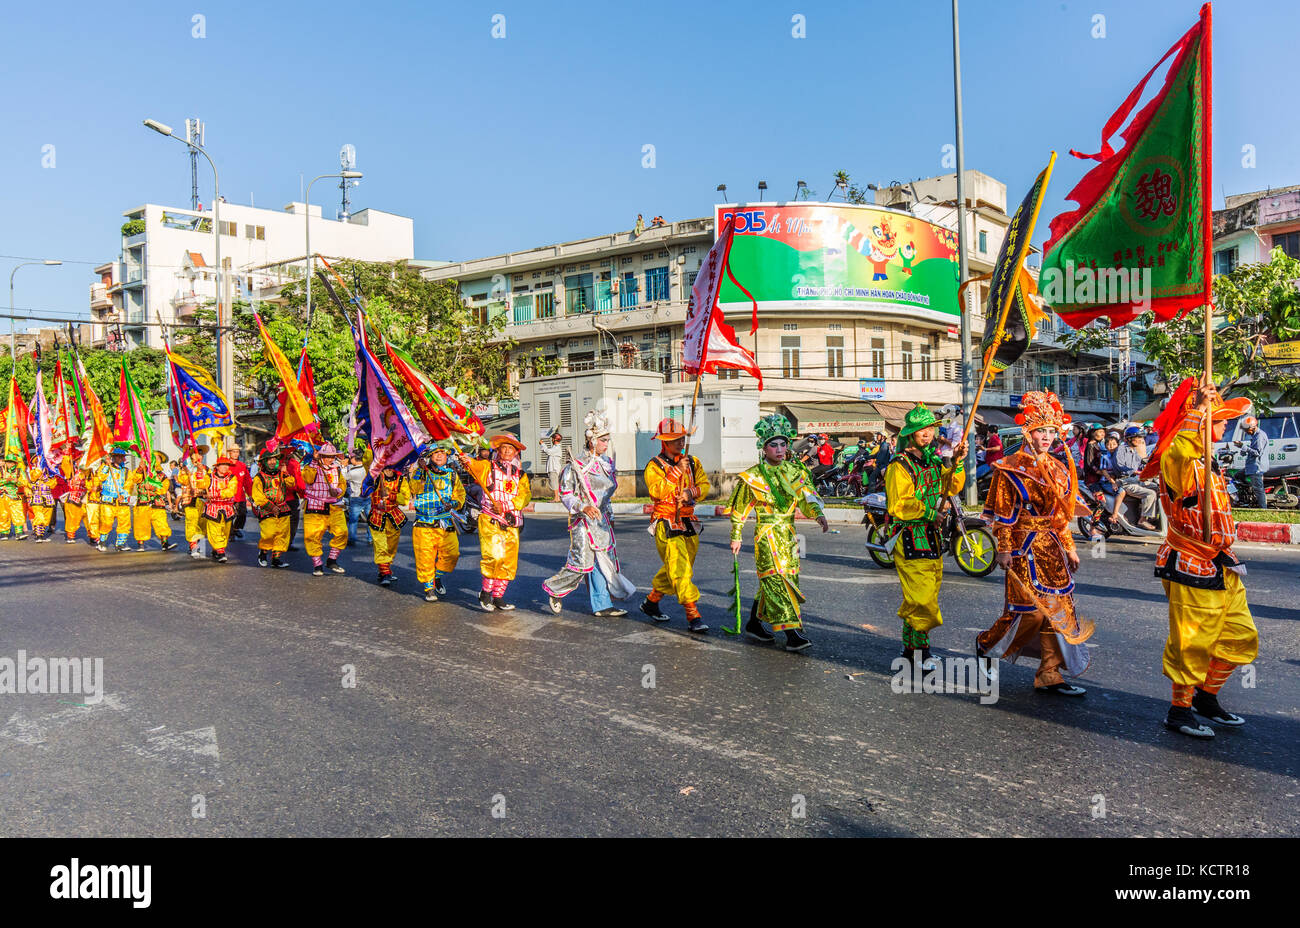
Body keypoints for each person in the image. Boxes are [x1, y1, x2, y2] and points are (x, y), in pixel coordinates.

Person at [1148, 382, 1258, 739]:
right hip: (1191, 563)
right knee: (1191, 642)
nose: (1226, 425)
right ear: (1197, 425)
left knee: (1241, 635)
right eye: (1219, 420)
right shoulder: (1177, 461)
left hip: (1222, 563)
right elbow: (1180, 449)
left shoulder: (1209, 464)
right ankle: (1178, 711)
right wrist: (1196, 410)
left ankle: (1205, 698)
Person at [977, 392, 1094, 696]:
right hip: (1022, 547)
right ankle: (986, 642)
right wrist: (1003, 548)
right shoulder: (1010, 467)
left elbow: (1061, 515)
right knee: (1030, 611)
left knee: (1058, 612)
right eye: (1041, 430)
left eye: (1052, 431)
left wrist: (1070, 547)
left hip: (1052, 547)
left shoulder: (1058, 468)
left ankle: (1049, 673)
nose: (1047, 437)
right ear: (1028, 432)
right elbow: (1003, 515)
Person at [728, 413, 829, 652]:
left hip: (789, 534)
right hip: (767, 534)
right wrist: (736, 535)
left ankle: (754, 623)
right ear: (763, 448)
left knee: (786, 578)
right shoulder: (753, 476)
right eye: (774, 445)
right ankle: (791, 632)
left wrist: (818, 514)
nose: (780, 449)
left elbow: (807, 498)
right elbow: (740, 508)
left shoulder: (796, 471)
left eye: (784, 444)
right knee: (776, 579)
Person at [885, 404, 967, 669]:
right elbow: (899, 504)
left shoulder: (932, 461)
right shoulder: (900, 466)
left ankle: (913, 651)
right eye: (921, 430)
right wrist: (931, 513)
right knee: (921, 600)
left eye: (930, 428)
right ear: (910, 434)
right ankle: (919, 653)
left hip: (931, 539)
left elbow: (951, 486)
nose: (927, 433)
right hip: (910, 537)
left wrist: (957, 462)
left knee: (925, 596)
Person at [543, 410, 637, 617]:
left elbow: (606, 497)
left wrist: (610, 517)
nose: (606, 444)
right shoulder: (576, 466)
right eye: (603, 440)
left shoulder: (606, 465)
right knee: (582, 563)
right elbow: (566, 494)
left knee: (603, 563)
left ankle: (602, 605)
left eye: (607, 440)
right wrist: (582, 506)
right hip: (583, 522)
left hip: (601, 521)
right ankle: (555, 589)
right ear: (592, 441)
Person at [640, 418, 710, 633]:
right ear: (664, 442)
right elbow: (656, 491)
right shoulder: (654, 465)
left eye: (681, 438)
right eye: (674, 439)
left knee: (680, 566)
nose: (680, 443)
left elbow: (705, 485)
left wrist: (691, 493)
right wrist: (676, 471)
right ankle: (692, 613)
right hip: (666, 522)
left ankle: (652, 601)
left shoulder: (693, 462)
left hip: (688, 521)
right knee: (679, 568)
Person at [460, 434, 531, 609]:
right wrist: (466, 460)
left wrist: (506, 505)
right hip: (490, 520)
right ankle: (485, 593)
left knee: (508, 561)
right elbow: (473, 466)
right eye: (504, 448)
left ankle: (498, 597)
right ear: (498, 450)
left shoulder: (521, 475)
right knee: (494, 557)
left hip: (512, 522)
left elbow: (525, 496)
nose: (507, 451)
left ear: (515, 452)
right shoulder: (487, 467)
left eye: (511, 448)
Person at [409, 441, 466, 602]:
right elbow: (414, 489)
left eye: (442, 453)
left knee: (452, 554)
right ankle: (429, 587)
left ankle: (437, 575)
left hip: (445, 524)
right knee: (425, 557)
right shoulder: (422, 472)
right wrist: (420, 469)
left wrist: (453, 504)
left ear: (447, 456)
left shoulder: (452, 474)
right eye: (435, 453)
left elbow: (460, 496)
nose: (439, 455)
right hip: (424, 523)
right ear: (430, 457)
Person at [300, 442, 349, 576]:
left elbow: (342, 485)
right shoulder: (311, 468)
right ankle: (317, 564)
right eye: (327, 456)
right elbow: (308, 479)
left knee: (342, 532)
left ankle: (331, 560)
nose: (330, 459)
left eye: (332, 456)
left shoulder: (337, 469)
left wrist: (337, 491)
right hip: (315, 507)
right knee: (312, 537)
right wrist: (315, 462)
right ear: (321, 456)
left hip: (334, 506)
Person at [368, 461, 412, 588]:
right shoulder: (376, 476)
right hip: (377, 515)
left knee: (391, 547)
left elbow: (404, 499)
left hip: (393, 516)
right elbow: (368, 462)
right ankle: (385, 572)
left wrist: (392, 496)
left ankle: (384, 570)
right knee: (380, 545)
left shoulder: (400, 480)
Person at [126, 450, 177, 551]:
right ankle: (141, 545)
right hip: (143, 503)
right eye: (154, 457)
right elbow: (134, 479)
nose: (156, 459)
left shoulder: (162, 476)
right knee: (141, 524)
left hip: (157, 503)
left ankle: (165, 544)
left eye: (158, 458)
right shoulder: (142, 472)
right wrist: (141, 468)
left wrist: (153, 488)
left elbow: (163, 488)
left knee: (162, 524)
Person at [1112, 426, 1159, 530]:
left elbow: (1142, 465)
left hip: (1136, 480)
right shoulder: (1121, 449)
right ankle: (1142, 520)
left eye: (1140, 438)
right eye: (1137, 437)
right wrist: (1135, 471)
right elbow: (1119, 465)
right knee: (1150, 493)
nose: (1140, 440)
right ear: (1129, 438)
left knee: (1158, 488)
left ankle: (1152, 517)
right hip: (1125, 481)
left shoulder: (1134, 452)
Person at [91, 443, 135, 552]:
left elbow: (129, 485)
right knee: (106, 523)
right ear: (113, 457)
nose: (120, 458)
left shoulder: (126, 472)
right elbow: (100, 477)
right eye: (117, 456)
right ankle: (101, 542)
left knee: (125, 524)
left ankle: (120, 544)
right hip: (108, 501)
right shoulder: (106, 468)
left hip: (122, 502)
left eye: (122, 457)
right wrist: (106, 465)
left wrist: (124, 495)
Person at [203, 452, 243, 564]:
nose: (225, 467)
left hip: (227, 508)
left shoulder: (232, 478)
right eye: (222, 465)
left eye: (227, 465)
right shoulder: (208, 477)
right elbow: (201, 486)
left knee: (225, 531)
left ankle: (217, 548)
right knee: (215, 531)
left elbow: (231, 491)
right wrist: (200, 475)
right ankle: (221, 551)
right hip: (213, 508)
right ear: (217, 466)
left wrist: (216, 493)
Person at [178, 441, 211, 558]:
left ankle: (200, 544)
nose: (199, 456)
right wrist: (189, 475)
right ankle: (193, 545)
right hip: (189, 498)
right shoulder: (186, 468)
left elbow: (209, 482)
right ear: (191, 455)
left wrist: (202, 472)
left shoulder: (206, 469)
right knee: (191, 521)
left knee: (202, 522)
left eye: (201, 454)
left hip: (202, 499)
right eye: (197, 453)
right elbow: (181, 480)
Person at [60, 443, 97, 545]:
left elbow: (93, 483)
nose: (80, 462)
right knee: (72, 517)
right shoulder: (71, 471)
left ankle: (93, 535)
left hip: (87, 498)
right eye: (78, 460)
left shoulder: (90, 472)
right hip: (74, 498)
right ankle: (70, 535)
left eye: (82, 459)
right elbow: (65, 464)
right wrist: (66, 451)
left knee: (90, 518)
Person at [26, 453, 59, 543]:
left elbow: (53, 485)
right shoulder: (33, 471)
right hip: (37, 497)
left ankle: (41, 533)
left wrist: (46, 478)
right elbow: (33, 478)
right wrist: (40, 470)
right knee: (39, 516)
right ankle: (39, 536)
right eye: (38, 460)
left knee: (46, 518)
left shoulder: (50, 473)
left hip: (48, 497)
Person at [1238, 416, 1268, 509]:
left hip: (1256, 468)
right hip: (1251, 466)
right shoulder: (1255, 436)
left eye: (1247, 430)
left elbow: (1258, 453)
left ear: (1253, 427)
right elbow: (1252, 450)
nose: (1246, 432)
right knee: (1238, 476)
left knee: (1259, 490)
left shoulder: (1259, 436)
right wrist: (1243, 450)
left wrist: (1244, 447)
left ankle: (1264, 509)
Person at [0, 453, 31, 540]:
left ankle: (19, 532)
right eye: (8, 462)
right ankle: (4, 533)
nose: (9, 464)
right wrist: (5, 480)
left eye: (11, 462)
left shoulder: (19, 471)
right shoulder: (1, 470)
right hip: (3, 495)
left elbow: (25, 482)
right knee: (3, 514)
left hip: (15, 495)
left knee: (18, 513)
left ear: (15, 463)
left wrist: (16, 481)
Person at [344, 451, 371, 545]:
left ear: (355, 459)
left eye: (351, 457)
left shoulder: (353, 472)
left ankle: (352, 539)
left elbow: (342, 478)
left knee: (353, 520)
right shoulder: (367, 469)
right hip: (368, 496)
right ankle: (370, 538)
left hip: (356, 497)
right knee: (370, 519)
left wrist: (343, 467)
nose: (350, 459)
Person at [226, 443, 250, 540]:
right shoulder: (225, 465)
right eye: (234, 452)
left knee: (242, 514)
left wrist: (251, 494)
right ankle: (230, 534)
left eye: (237, 452)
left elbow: (247, 482)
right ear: (230, 453)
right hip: (228, 495)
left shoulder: (242, 466)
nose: (236, 454)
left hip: (240, 495)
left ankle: (236, 528)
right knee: (229, 516)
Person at [542, 431, 566, 501]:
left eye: (552, 438)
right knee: (554, 482)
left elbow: (548, 451)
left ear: (554, 439)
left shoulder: (557, 448)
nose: (552, 440)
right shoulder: (555, 447)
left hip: (554, 468)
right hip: (553, 467)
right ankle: (557, 497)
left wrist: (543, 444)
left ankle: (556, 498)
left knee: (554, 482)